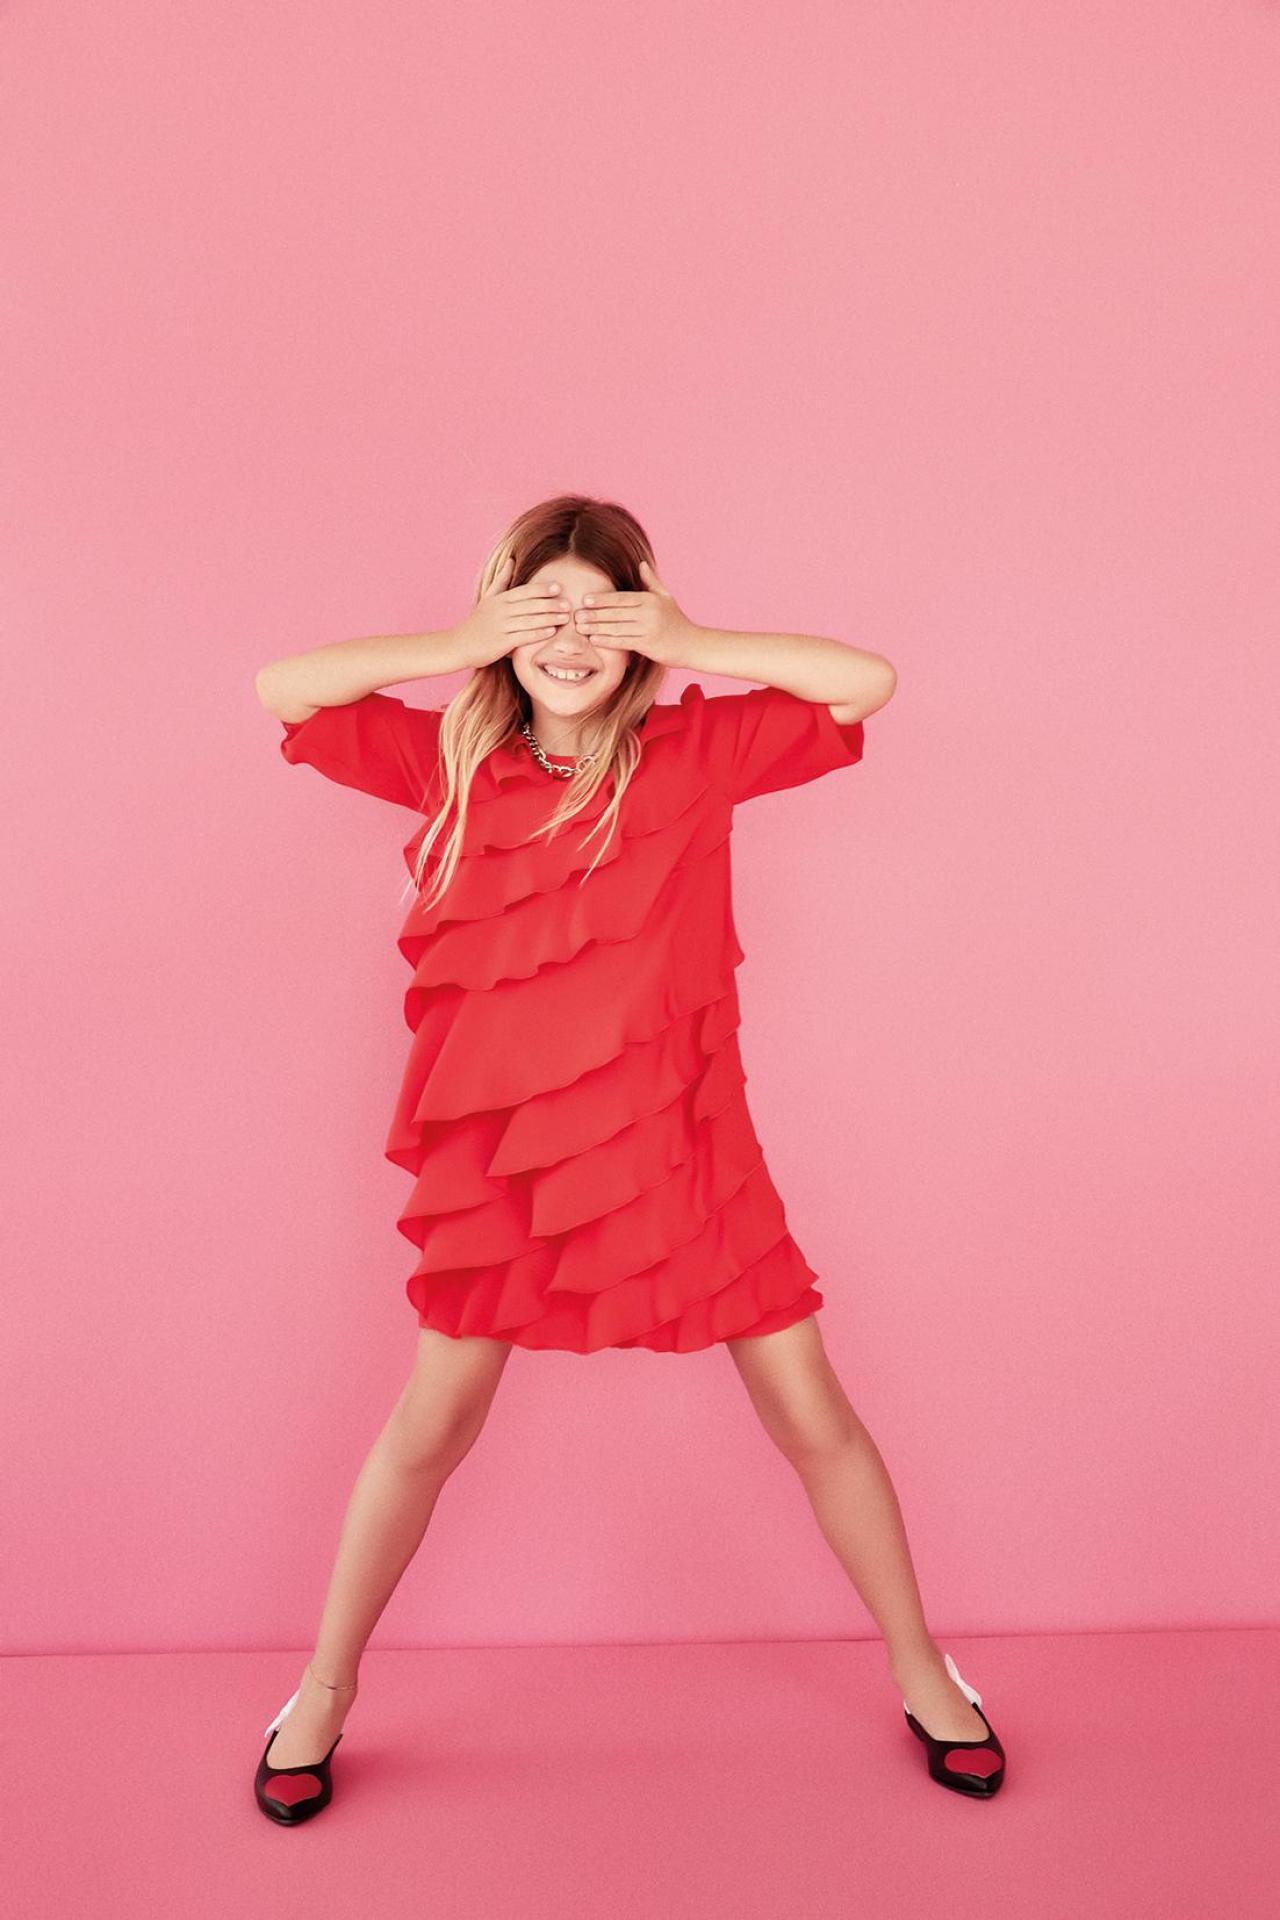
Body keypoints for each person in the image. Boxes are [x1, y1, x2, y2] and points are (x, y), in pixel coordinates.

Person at [250, 494, 1007, 1823]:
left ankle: (921, 1666)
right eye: (546, 608)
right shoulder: (452, 762)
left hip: (686, 1143)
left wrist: (697, 632)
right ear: (505, 626)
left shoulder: (698, 752)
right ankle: (320, 1688)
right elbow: (284, 688)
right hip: (505, 1170)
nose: (571, 633)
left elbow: (864, 681)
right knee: (430, 1427)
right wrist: (461, 632)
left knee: (810, 1410)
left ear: (642, 625)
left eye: (601, 609)